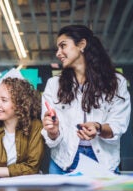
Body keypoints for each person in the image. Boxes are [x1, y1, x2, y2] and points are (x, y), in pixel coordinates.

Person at [41, 25, 131, 174]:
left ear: (81, 45)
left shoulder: (116, 82)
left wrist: (98, 127)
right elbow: (51, 134)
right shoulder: (54, 84)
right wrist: (53, 131)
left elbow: (118, 125)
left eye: (63, 46)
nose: (58, 53)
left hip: (104, 162)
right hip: (62, 163)